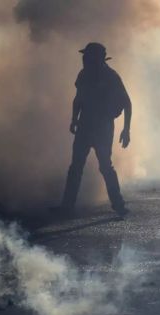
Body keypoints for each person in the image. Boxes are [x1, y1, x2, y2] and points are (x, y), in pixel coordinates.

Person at [55, 42, 132, 217]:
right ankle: (67, 207)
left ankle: (119, 205)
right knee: (76, 167)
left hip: (103, 128)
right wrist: (74, 119)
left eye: (87, 56)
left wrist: (126, 130)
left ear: (98, 58)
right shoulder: (84, 75)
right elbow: (78, 99)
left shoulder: (111, 77)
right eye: (85, 56)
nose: (84, 59)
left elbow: (127, 103)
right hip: (84, 126)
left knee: (105, 166)